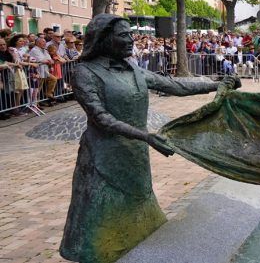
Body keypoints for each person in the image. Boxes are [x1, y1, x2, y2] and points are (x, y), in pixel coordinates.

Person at [60, 14, 223, 263]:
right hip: (102, 156)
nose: (130, 40)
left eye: (131, 35)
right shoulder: (86, 72)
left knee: (138, 204)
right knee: (101, 216)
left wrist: (215, 85)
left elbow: (174, 86)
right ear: (104, 39)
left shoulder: (133, 69)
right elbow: (101, 118)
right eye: (123, 35)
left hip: (135, 154)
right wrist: (146, 136)